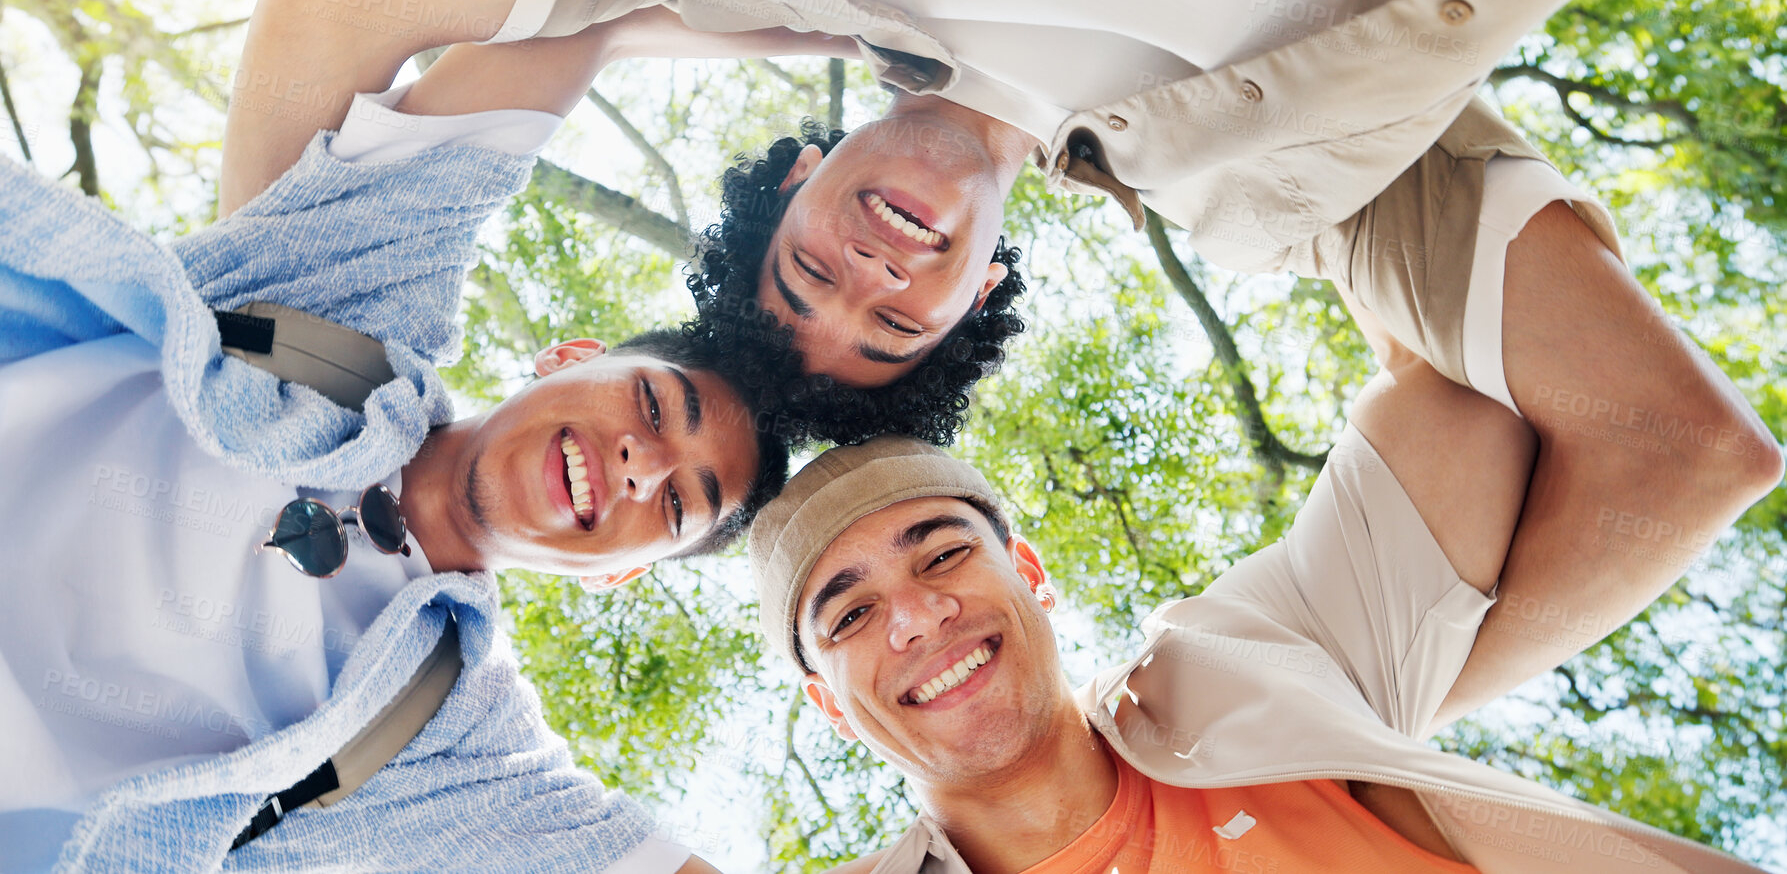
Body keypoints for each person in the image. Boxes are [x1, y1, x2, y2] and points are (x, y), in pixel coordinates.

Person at [221, 0, 1772, 709]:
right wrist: (1343, 732)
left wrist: (247, 373)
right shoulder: (1274, 174)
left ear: (793, 175)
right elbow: (1681, 449)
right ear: (976, 300)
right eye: (894, 318)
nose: (872, 268)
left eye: (806, 271)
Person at [0, 9, 798, 873]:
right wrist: (877, 51)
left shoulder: (456, 739)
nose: (642, 464)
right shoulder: (354, 308)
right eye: (652, 406)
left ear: (619, 573)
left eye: (679, 502)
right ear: (570, 356)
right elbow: (581, 25)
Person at [749, 416, 1779, 871]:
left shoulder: (1244, 665)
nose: (916, 616)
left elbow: (1479, 403)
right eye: (849, 615)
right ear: (828, 703)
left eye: (941, 554)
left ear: (1030, 573)